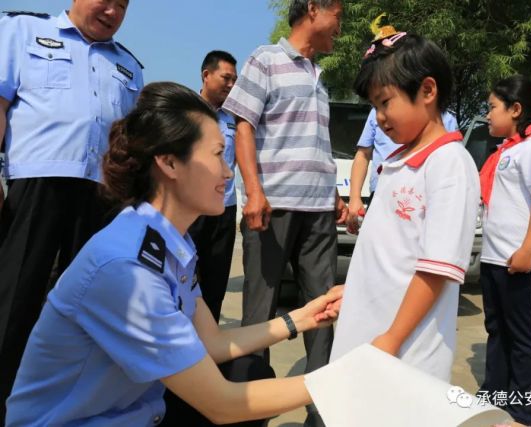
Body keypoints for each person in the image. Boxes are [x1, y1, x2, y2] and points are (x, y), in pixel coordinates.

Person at [5, 81, 344, 427]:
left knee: (248, 371)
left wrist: (302, 318)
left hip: (132, 414)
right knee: (242, 388)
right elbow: (222, 405)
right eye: (216, 155)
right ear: (169, 163)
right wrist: (344, 382)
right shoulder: (126, 269)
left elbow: (212, 343)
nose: (228, 172)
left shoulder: (168, 244)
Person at [0, 1, 144, 417]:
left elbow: (129, 143)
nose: (113, 10)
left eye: (123, 5)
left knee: (89, 304)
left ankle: (65, 403)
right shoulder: (20, 33)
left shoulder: (129, 67)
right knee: (15, 298)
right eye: (107, 0)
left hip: (102, 198)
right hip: (36, 184)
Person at [329, 31, 481, 385]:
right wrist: (356, 291)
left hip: (403, 353)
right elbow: (389, 252)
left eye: (385, 102)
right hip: (370, 338)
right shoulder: (399, 160)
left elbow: (436, 271)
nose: (379, 117)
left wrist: (392, 339)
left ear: (428, 91)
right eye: (374, 106)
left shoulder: (449, 166)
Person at [222, 1, 346, 425]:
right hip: (272, 209)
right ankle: (251, 410)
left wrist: (332, 193)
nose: (341, 28)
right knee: (260, 313)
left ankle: (323, 409)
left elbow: (315, 142)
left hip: (318, 213)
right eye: (339, 16)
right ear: (313, 9)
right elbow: (243, 126)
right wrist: (253, 192)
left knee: (324, 311)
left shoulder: (319, 76)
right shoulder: (266, 59)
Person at [477, 75, 531, 427]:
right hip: (495, 259)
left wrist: (528, 251)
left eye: (492, 108)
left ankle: (526, 416)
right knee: (497, 331)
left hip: (522, 264)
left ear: (516, 109)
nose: (487, 115)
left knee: (525, 338)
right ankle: (495, 397)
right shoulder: (506, 151)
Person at [346, 107, 459, 233]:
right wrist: (354, 197)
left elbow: (452, 164)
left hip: (422, 200)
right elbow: (363, 154)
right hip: (381, 195)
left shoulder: (446, 118)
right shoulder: (378, 111)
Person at [189, 50, 239, 322]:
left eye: (235, 80)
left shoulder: (233, 119)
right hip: (192, 210)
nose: (231, 85)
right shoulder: (185, 111)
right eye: (226, 78)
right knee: (183, 278)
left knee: (215, 282)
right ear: (206, 75)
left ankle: (209, 347)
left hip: (224, 211)